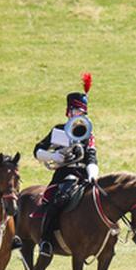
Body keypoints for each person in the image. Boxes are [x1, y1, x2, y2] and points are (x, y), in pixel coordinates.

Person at [33, 73, 101, 258]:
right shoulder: (58, 130)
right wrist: (54, 155)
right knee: (57, 200)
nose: (78, 115)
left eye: (82, 112)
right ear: (68, 112)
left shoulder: (88, 134)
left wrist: (93, 175)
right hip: (63, 175)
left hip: (84, 175)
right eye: (75, 111)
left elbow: (92, 157)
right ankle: (46, 240)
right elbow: (37, 150)